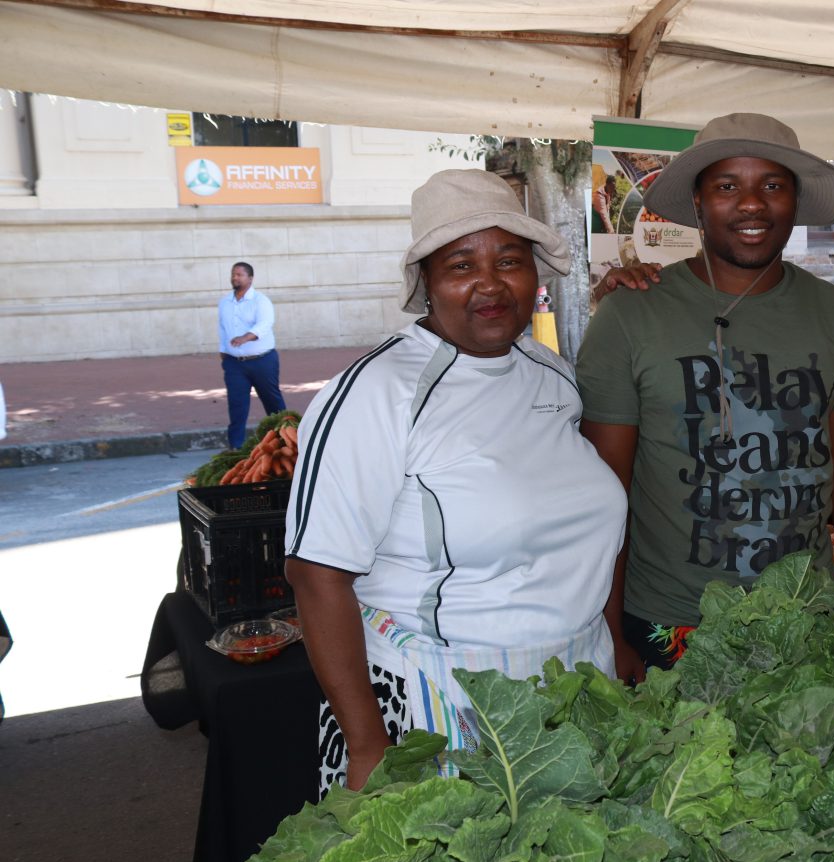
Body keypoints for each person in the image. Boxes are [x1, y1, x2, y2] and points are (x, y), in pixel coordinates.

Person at [284, 169, 627, 795]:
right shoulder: (374, 393)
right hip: (438, 708)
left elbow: (582, 532)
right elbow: (317, 574)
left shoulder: (551, 374)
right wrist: (366, 744)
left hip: (577, 687)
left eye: (509, 260)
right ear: (428, 286)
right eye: (461, 265)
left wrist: (615, 642)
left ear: (535, 274)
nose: (490, 284)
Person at [577, 112, 834, 682]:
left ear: (794, 203)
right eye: (727, 186)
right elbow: (605, 493)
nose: (752, 204)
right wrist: (605, 631)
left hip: (807, 622)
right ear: (698, 203)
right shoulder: (631, 315)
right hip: (669, 626)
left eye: (772, 186)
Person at [217, 261, 284, 450]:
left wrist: (246, 337)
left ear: (250, 278)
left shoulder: (261, 301)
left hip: (262, 361)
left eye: (239, 274)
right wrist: (224, 351)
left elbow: (265, 324)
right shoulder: (225, 302)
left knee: (272, 402)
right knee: (237, 405)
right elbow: (222, 328)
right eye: (233, 274)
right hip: (234, 364)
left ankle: (287, 439)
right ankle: (236, 446)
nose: (235, 278)